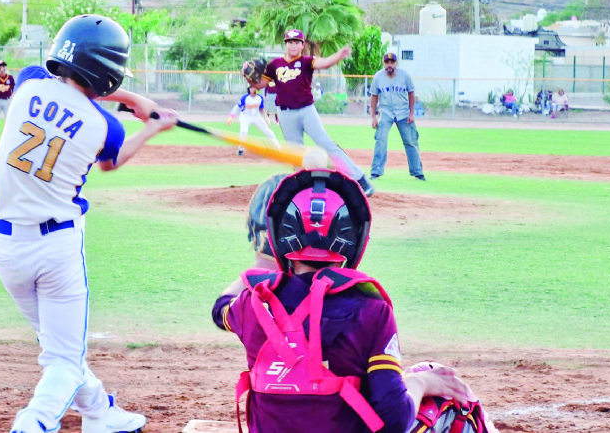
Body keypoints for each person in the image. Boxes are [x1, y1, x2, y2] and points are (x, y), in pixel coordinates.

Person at [0, 14, 177, 433]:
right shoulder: (104, 126)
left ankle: (99, 414)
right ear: (109, 73)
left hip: (4, 248)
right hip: (56, 251)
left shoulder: (28, 83)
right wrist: (153, 124)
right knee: (65, 359)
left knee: (59, 346)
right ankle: (34, 421)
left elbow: (74, 84)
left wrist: (127, 97)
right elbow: (113, 161)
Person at [212, 169, 498, 433]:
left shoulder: (252, 303)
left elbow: (219, 307)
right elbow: (393, 419)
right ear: (353, 238)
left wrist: (265, 260)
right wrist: (419, 382)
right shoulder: (372, 309)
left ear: (280, 237)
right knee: (445, 395)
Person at [248, 29, 374, 197]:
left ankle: (359, 178)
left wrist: (340, 54)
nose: (293, 45)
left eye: (297, 42)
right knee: (295, 152)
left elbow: (326, 62)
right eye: (290, 42)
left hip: (307, 111)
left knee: (326, 143)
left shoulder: (307, 61)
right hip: (286, 114)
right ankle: (300, 190)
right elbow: (259, 85)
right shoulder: (274, 65)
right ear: (285, 45)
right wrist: (248, 77)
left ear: (302, 45)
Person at [369, 52, 425, 181]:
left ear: (396, 63)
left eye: (392, 62)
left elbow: (411, 94)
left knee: (411, 141)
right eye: (387, 62)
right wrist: (373, 117)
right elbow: (374, 97)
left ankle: (417, 172)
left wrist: (412, 113)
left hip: (403, 112)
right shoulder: (378, 77)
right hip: (386, 112)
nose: (389, 65)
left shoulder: (404, 76)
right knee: (380, 140)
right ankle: (376, 171)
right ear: (383, 63)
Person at [228, 86, 281, 155]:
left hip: (256, 116)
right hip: (245, 116)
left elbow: (262, 110)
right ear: (249, 89)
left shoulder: (260, 98)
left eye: (256, 88)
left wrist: (267, 120)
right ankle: (241, 148)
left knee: (268, 131)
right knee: (244, 131)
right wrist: (231, 117)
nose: (254, 89)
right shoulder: (245, 97)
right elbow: (237, 107)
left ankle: (278, 147)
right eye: (252, 88)